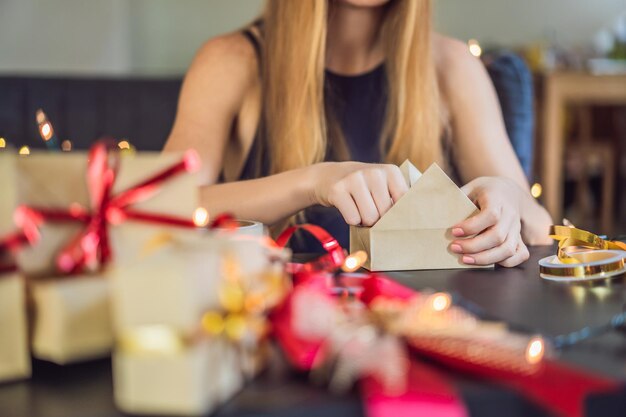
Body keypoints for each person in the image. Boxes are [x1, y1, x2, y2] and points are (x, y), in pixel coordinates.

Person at [164, 0, 553, 267]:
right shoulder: (231, 62)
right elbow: (160, 208)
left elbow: (539, 226)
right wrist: (313, 180)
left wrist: (508, 202)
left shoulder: (453, 66)